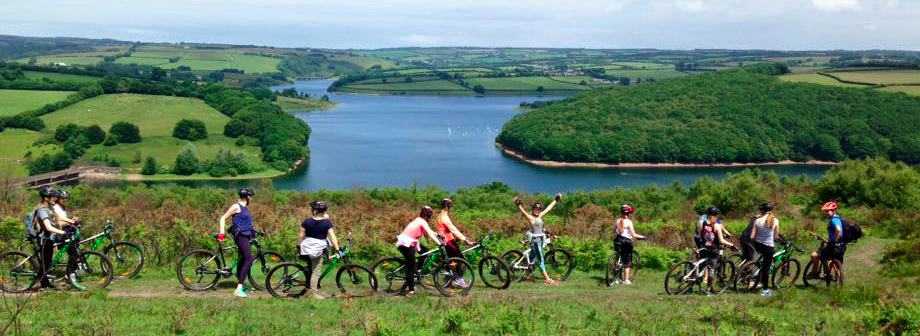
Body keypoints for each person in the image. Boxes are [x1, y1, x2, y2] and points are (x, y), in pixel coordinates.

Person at [514, 193, 563, 285]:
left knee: (532, 258)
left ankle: (527, 275)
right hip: (536, 242)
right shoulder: (531, 218)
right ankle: (547, 279)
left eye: (538, 209)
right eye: (535, 209)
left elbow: (548, 209)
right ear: (532, 210)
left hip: (539, 240)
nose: (537, 211)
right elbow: (523, 213)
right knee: (541, 260)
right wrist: (518, 204)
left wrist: (556, 200)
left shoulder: (539, 216)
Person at [218, 188, 257, 298]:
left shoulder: (245, 207)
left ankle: (241, 283)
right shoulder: (236, 206)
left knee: (242, 258)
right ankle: (238, 289)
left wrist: (254, 231)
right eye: (251, 197)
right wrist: (222, 233)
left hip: (246, 235)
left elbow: (245, 222)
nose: (252, 199)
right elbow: (223, 218)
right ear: (248, 197)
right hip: (240, 236)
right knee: (249, 259)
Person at [395, 206, 442, 295]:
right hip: (406, 244)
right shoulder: (422, 221)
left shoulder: (419, 220)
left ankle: (418, 270)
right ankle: (411, 290)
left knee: (425, 252)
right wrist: (440, 243)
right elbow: (429, 233)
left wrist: (438, 235)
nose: (429, 218)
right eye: (429, 216)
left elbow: (429, 231)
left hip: (410, 242)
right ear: (426, 215)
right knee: (410, 268)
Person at [299, 200, 341, 299]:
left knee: (311, 268)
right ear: (324, 211)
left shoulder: (306, 221)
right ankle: (312, 294)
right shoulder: (327, 223)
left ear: (315, 211)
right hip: (317, 250)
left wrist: (298, 246)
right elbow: (332, 237)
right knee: (316, 271)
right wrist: (337, 249)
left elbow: (301, 235)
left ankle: (308, 286)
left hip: (306, 248)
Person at [33, 187, 67, 290]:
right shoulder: (42, 210)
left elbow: (58, 220)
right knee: (45, 263)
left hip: (48, 238)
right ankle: (43, 286)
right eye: (53, 197)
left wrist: (72, 221)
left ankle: (46, 283)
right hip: (44, 239)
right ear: (46, 198)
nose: (55, 199)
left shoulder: (49, 209)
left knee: (47, 263)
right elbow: (48, 227)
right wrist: (62, 232)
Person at [698, 206, 736, 296]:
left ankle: (691, 287)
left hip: (703, 248)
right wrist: (732, 245)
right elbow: (721, 241)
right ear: (716, 215)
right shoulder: (717, 226)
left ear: (707, 214)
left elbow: (700, 236)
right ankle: (708, 291)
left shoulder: (702, 223)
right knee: (711, 269)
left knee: (701, 267)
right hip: (713, 250)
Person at [436, 198, 474, 287]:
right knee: (459, 259)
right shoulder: (444, 217)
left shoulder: (439, 216)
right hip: (448, 241)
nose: (451, 208)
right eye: (450, 206)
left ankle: (448, 279)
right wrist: (465, 239)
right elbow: (453, 229)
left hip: (445, 241)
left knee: (452, 260)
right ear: (446, 207)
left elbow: (446, 230)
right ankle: (458, 278)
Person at [51, 189, 84, 290]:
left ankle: (70, 272)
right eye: (62, 198)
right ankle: (70, 274)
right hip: (59, 233)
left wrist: (71, 220)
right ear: (58, 198)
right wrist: (71, 222)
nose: (64, 200)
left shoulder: (62, 207)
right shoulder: (55, 208)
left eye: (66, 198)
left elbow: (64, 220)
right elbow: (58, 223)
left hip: (66, 231)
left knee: (75, 251)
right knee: (74, 252)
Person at [808, 202, 845, 278]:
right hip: (841, 246)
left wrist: (835, 241)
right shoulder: (839, 219)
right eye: (825, 211)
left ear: (834, 210)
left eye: (828, 211)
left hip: (834, 245)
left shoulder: (834, 220)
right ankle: (836, 279)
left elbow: (838, 230)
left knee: (814, 255)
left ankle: (815, 273)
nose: (826, 213)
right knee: (833, 259)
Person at [749, 203, 779, 297]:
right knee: (766, 268)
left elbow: (752, 236)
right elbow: (776, 236)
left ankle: (755, 270)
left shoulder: (757, 220)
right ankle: (765, 290)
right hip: (768, 246)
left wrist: (756, 242)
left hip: (758, 245)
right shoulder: (776, 221)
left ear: (763, 211)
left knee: (762, 259)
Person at [613, 204, 645, 285]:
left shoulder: (617, 221)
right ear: (629, 213)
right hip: (626, 242)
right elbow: (633, 235)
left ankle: (617, 279)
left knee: (618, 258)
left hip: (617, 240)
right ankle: (626, 280)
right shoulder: (629, 222)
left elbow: (614, 230)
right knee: (627, 261)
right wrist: (643, 237)